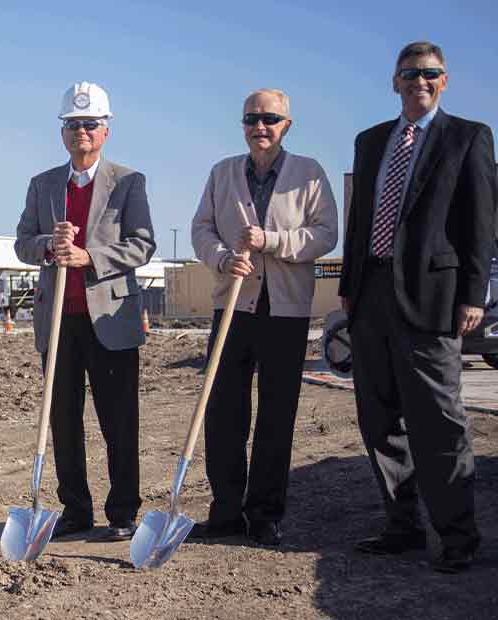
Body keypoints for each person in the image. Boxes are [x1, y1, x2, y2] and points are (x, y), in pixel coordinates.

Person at [339, 41, 496, 573]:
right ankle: (401, 526)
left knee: (439, 423)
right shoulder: (371, 141)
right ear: (394, 82)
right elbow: (360, 221)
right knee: (378, 419)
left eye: (430, 73)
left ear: (445, 80)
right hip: (371, 296)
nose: (419, 82)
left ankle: (458, 537)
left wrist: (474, 295)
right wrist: (349, 287)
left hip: (433, 300)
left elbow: (480, 223)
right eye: (409, 74)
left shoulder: (467, 138)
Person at [190, 89, 338, 546]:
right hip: (233, 308)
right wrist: (221, 258)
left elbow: (326, 233)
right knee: (223, 414)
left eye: (270, 119)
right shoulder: (222, 173)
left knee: (276, 415)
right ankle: (226, 512)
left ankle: (265, 514)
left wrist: (273, 241)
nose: (261, 126)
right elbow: (201, 229)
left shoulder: (308, 174)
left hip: (285, 312)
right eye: (252, 118)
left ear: (287, 125)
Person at [14, 82, 156, 542]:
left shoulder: (129, 182)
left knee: (118, 418)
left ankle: (122, 511)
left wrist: (89, 256)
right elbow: (22, 242)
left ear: (106, 130)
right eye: (73, 125)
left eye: (90, 124)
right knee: (64, 419)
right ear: (62, 133)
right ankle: (75, 508)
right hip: (58, 321)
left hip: (110, 320)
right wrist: (49, 248)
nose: (82, 133)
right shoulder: (42, 185)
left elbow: (142, 244)